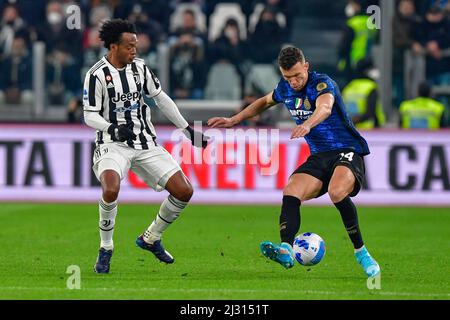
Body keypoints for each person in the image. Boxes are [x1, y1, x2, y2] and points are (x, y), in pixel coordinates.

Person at [208, 46, 380, 278]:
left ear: (306, 66)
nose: (294, 82)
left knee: (337, 191)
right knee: (291, 190)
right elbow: (264, 102)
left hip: (347, 151)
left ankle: (362, 253)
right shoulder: (285, 88)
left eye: (298, 75)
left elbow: (326, 107)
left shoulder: (322, 83)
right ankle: (286, 249)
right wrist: (234, 119)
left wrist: (308, 124)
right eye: (288, 77)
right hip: (319, 156)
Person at [83, 19, 208, 274]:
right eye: (129, 46)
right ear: (114, 46)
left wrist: (186, 129)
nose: (134, 51)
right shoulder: (96, 75)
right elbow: (89, 114)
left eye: (136, 46)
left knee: (184, 191)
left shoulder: (140, 69)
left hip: (145, 142)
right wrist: (112, 128)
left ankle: (150, 238)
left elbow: (161, 99)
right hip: (112, 143)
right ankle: (106, 248)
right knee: (111, 188)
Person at [342, 58, 385, 129]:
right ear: (365, 71)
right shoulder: (370, 87)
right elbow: (371, 113)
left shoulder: (349, 87)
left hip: (351, 130)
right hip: (370, 131)